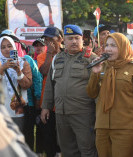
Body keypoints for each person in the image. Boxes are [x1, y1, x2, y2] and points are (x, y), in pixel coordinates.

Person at [87, 32, 133, 157]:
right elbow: (91, 93)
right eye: (107, 45)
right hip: (102, 127)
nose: (109, 49)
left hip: (125, 128)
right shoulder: (101, 66)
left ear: (123, 47)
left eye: (114, 45)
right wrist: (95, 74)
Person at [41, 24, 98, 157]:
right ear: (64, 41)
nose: (74, 41)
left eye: (77, 38)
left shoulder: (92, 58)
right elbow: (50, 85)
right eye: (70, 38)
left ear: (82, 39)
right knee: (67, 150)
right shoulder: (57, 58)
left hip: (84, 114)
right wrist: (45, 107)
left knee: (87, 149)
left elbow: (98, 87)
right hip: (61, 113)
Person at [37, 26, 63, 157]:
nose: (49, 43)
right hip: (47, 103)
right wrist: (49, 54)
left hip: (63, 104)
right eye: (46, 40)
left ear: (60, 39)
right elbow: (44, 71)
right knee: (49, 137)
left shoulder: (66, 55)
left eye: (51, 39)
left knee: (63, 139)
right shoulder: (42, 56)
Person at [0, 36, 32, 132]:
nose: (7, 49)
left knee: (16, 141)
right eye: (3, 47)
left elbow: (27, 85)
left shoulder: (23, 63)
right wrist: (2, 69)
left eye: (9, 46)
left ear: (14, 47)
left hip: (17, 110)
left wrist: (18, 71)